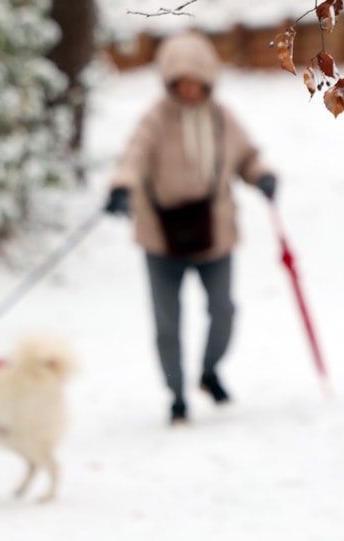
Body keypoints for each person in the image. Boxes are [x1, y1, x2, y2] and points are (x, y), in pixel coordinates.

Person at [104, 30, 277, 424]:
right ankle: (177, 394)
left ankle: (209, 371)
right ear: (169, 82)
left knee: (224, 310)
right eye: (180, 82)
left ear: (208, 80)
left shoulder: (222, 117)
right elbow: (132, 157)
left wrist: (262, 176)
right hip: (161, 237)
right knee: (167, 324)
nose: (189, 89)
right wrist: (121, 189)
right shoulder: (155, 119)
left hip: (214, 232)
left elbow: (247, 157)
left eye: (196, 81)